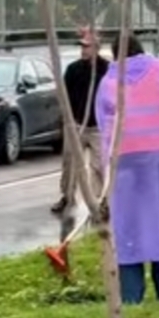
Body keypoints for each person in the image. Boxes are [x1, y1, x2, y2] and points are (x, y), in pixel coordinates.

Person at [95, 32, 159, 305]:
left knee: (128, 227)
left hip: (124, 163)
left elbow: (103, 123)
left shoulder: (108, 81)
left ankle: (130, 297)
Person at [51, 29, 109, 214]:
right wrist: (66, 119)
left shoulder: (106, 70)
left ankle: (99, 202)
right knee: (69, 163)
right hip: (76, 125)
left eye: (87, 46)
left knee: (98, 166)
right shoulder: (73, 69)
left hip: (98, 127)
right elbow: (63, 95)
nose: (83, 50)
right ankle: (66, 197)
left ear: (96, 48)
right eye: (81, 46)